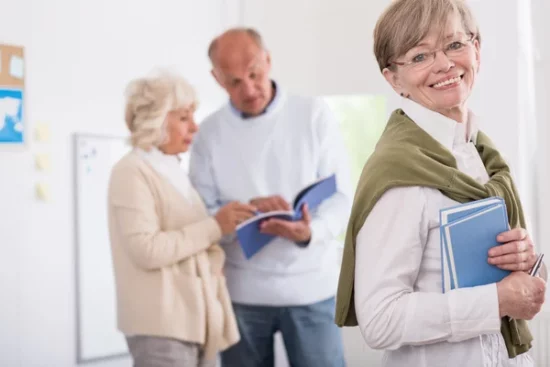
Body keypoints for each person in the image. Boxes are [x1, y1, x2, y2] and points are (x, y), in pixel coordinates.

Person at [334, 1, 548, 366]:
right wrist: (496, 301)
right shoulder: (399, 173)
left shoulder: (482, 154)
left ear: (476, 49)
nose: (445, 64)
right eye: (419, 56)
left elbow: (505, 281)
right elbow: (380, 320)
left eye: (454, 45)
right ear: (393, 78)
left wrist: (525, 261)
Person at [189, 28, 352, 367]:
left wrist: (311, 232)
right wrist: (249, 213)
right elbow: (202, 214)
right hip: (241, 293)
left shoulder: (313, 114)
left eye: (254, 73)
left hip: (312, 287)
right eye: (233, 82)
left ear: (268, 60)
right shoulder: (209, 134)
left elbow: (341, 196)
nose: (248, 89)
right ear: (216, 79)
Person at [107, 70, 257, 367]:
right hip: (161, 325)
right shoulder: (131, 171)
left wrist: (239, 215)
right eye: (184, 117)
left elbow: (192, 235)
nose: (195, 127)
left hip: (194, 321)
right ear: (158, 119)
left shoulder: (172, 169)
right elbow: (146, 250)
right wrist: (215, 225)